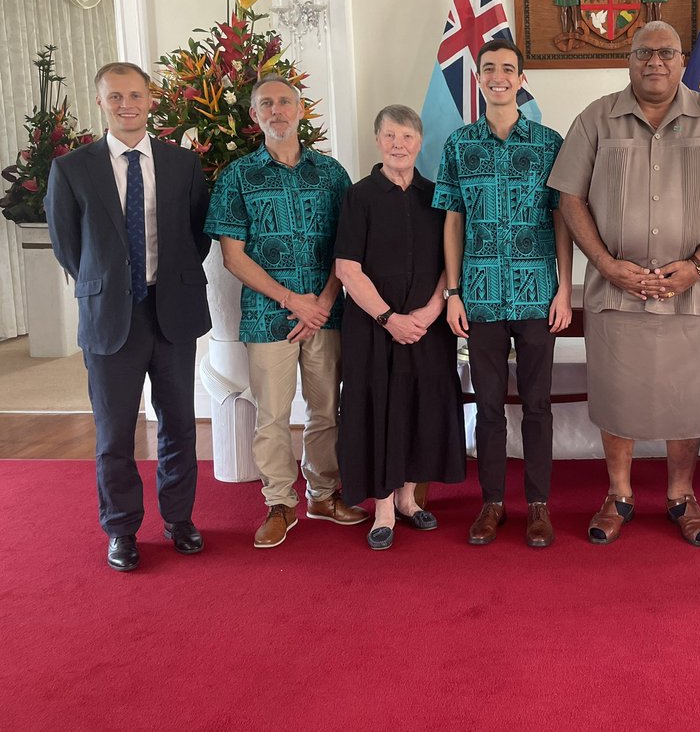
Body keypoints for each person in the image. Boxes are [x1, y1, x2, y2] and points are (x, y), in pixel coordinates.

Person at [550, 20, 700, 547]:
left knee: (685, 398)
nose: (655, 62)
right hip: (614, 289)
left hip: (692, 287)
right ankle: (618, 494)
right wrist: (604, 262)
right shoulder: (596, 119)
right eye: (645, 52)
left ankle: (681, 496)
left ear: (683, 60)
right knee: (616, 394)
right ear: (629, 59)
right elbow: (569, 197)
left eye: (666, 52)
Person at [46, 62, 211, 572]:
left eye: (135, 94)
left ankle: (179, 520)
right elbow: (67, 246)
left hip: (172, 312)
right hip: (110, 316)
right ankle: (121, 529)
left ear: (150, 99)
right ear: (101, 102)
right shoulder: (73, 168)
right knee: (115, 432)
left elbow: (196, 235)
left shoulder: (183, 165)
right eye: (116, 96)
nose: (127, 104)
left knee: (179, 425)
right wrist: (111, 285)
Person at [205, 73, 367, 548]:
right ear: (254, 116)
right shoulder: (238, 176)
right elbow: (233, 256)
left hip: (327, 313)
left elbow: (349, 246)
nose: (277, 110)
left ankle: (322, 492)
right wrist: (292, 300)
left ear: (300, 111)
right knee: (272, 415)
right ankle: (279, 503)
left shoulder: (331, 173)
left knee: (325, 410)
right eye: (267, 104)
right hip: (268, 315)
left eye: (285, 102)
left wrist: (322, 302)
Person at [433, 39, 573, 548]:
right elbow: (452, 220)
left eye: (508, 69)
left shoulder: (548, 143)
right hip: (481, 295)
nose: (498, 76)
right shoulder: (458, 145)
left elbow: (562, 218)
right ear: (479, 78)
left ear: (520, 78)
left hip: (538, 294)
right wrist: (452, 292)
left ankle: (538, 505)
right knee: (489, 406)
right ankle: (492, 502)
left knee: (537, 405)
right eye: (489, 68)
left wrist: (562, 288)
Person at [334, 105, 466, 550]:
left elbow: (452, 261)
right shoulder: (358, 196)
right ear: (378, 141)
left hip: (428, 327)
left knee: (420, 408)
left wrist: (430, 313)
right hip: (374, 328)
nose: (399, 145)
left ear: (419, 142)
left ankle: (410, 499)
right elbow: (348, 269)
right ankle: (384, 508)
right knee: (378, 409)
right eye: (390, 136)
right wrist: (390, 319)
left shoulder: (436, 196)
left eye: (407, 137)